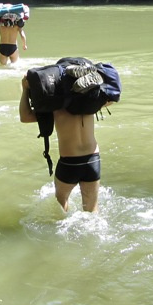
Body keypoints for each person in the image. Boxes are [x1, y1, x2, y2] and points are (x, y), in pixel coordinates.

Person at [19, 77, 105, 212]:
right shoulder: (90, 102)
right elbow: (111, 99)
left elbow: (25, 116)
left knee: (60, 204)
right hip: (93, 159)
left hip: (69, 162)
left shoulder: (56, 106)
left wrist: (25, 89)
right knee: (92, 209)